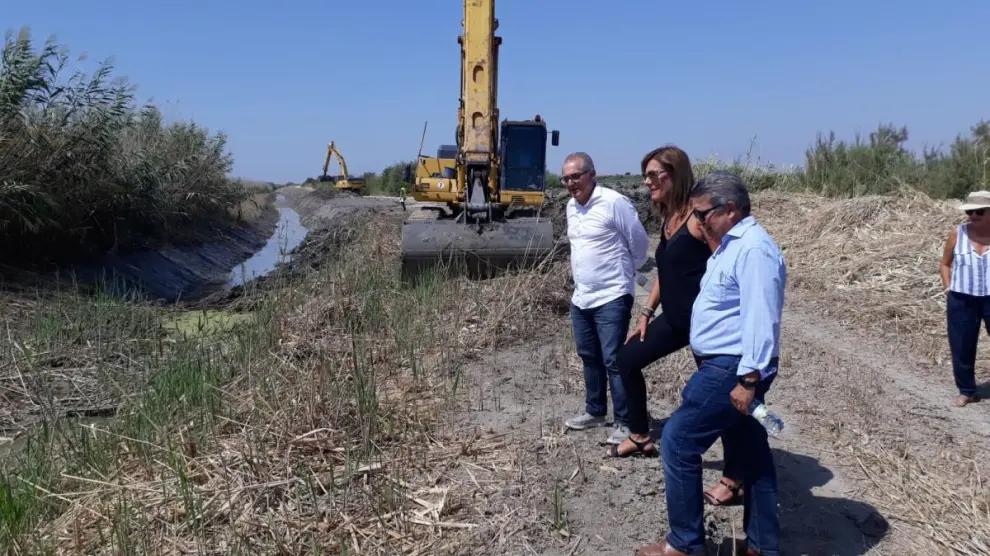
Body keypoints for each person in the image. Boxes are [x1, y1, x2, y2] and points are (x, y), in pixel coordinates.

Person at [638, 171, 786, 556]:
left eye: (703, 214)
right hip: (726, 364)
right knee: (752, 450)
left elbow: (761, 317)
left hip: (733, 367)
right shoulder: (729, 245)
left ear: (731, 209)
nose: (698, 222)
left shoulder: (754, 250)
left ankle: (685, 544)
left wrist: (748, 380)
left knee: (678, 441)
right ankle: (762, 546)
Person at [562, 151, 650, 445]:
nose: (571, 183)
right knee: (589, 355)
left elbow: (639, 244)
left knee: (614, 359)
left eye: (576, 176)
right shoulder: (570, 207)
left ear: (592, 174)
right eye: (566, 178)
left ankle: (625, 421)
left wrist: (626, 270)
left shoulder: (614, 203)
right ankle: (595, 410)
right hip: (582, 297)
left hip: (612, 294)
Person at [939, 190, 990, 408]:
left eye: (980, 211)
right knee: (962, 346)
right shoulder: (957, 234)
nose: (973, 216)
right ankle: (967, 391)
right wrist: (948, 288)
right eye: (970, 212)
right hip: (962, 299)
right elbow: (945, 263)